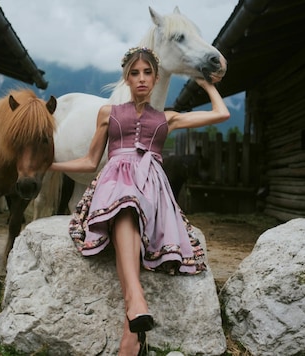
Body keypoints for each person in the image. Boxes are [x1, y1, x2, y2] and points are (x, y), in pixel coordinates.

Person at [49, 46, 230, 355]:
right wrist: (50, 165)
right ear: (127, 79)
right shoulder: (108, 114)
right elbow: (91, 161)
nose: (142, 79)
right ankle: (136, 307)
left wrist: (207, 84)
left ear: (156, 78)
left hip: (151, 186)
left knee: (131, 202)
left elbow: (221, 114)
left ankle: (133, 317)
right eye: (135, 73)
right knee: (124, 202)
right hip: (114, 183)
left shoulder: (166, 118)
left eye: (148, 73)